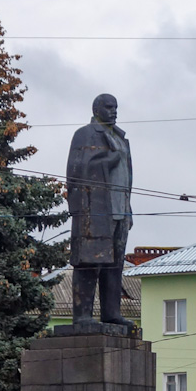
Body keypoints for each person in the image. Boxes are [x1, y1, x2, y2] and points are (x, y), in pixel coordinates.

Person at [64, 93, 133, 330]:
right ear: (96, 109)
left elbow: (127, 179)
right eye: (108, 107)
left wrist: (128, 208)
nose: (114, 111)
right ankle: (82, 315)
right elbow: (77, 170)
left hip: (119, 211)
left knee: (115, 265)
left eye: (116, 107)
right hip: (93, 209)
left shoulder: (121, 139)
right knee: (89, 261)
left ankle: (111, 313)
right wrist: (109, 160)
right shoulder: (85, 134)